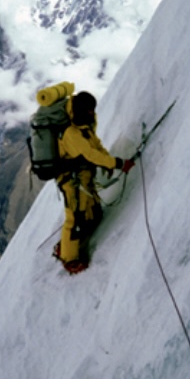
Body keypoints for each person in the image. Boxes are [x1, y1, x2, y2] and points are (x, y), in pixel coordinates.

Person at [54, 91, 134, 274]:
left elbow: (96, 147)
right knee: (74, 218)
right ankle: (69, 258)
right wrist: (118, 164)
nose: (92, 114)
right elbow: (89, 154)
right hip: (71, 180)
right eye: (89, 110)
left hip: (82, 176)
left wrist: (107, 160)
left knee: (90, 209)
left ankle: (72, 244)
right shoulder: (70, 133)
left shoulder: (82, 126)